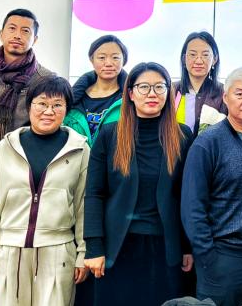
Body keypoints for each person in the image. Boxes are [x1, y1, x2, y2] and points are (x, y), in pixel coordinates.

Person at [84, 62, 194, 306]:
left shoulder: (182, 136)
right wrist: (94, 247)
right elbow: (94, 193)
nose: (152, 93)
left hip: (165, 248)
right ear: (131, 94)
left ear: (168, 93)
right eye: (144, 87)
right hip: (117, 247)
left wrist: (187, 247)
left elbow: (186, 196)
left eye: (159, 87)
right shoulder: (110, 135)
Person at [0, 76, 90, 305]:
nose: (49, 111)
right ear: (29, 106)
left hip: (58, 251)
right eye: (42, 103)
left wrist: (82, 253)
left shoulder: (79, 149)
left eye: (57, 105)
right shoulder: (5, 148)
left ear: (67, 109)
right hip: (9, 251)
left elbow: (83, 206)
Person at [181, 67, 242, 306]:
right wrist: (208, 257)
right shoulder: (207, 143)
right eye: (240, 94)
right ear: (225, 97)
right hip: (223, 258)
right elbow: (192, 206)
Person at [0, 8, 55, 139]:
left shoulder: (47, 79)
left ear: (35, 39)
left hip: (26, 150)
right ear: (1, 34)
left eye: (25, 31)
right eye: (12, 28)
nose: (17, 35)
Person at [64, 34, 129, 146]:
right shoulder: (73, 97)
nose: (108, 63)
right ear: (92, 60)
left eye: (115, 57)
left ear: (124, 60)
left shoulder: (131, 99)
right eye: (102, 57)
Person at [174, 31, 227, 137]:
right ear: (184, 59)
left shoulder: (224, 93)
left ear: (214, 59)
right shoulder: (171, 90)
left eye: (205, 55)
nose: (198, 61)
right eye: (193, 55)